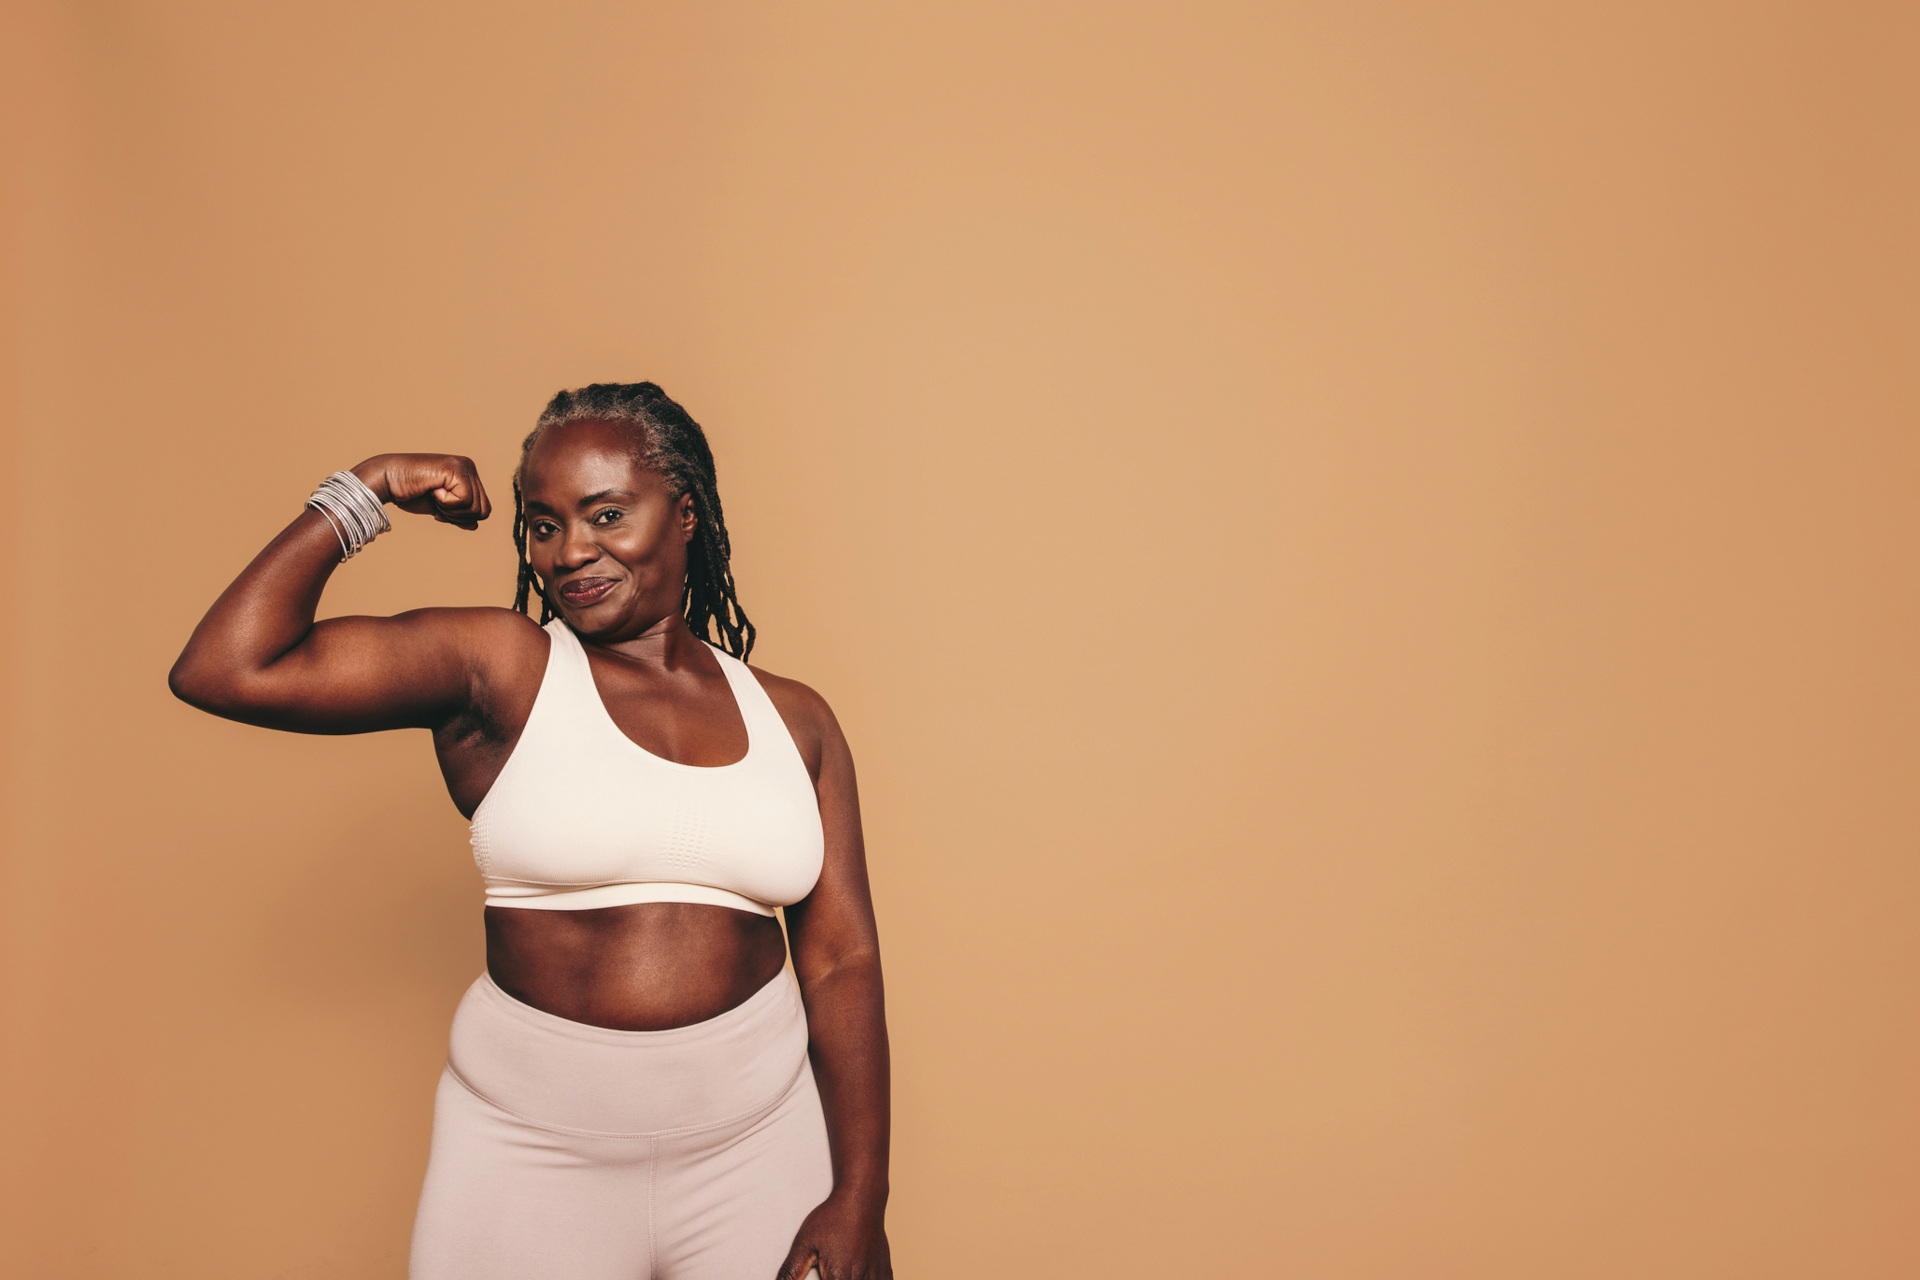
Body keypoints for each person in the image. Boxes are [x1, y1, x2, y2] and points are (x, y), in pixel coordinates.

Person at [169, 383, 892, 1280]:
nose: (572, 551)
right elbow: (226, 667)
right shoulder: (503, 667)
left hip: (759, 1148)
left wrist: (861, 1191)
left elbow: (839, 960)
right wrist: (369, 489)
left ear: (686, 514)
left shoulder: (796, 719)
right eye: (543, 525)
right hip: (529, 1155)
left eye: (606, 514)